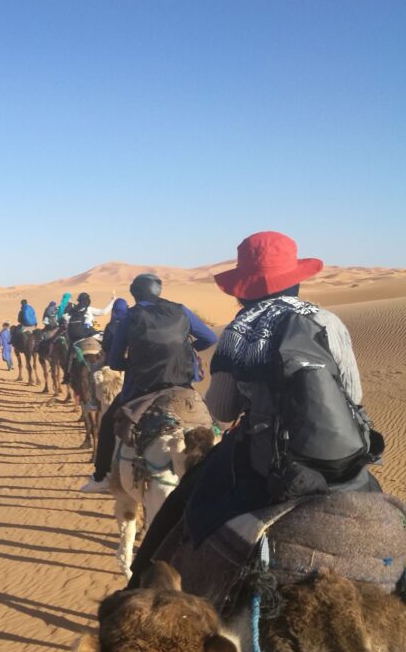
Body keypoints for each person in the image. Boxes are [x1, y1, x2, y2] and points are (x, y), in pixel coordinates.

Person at [127, 231, 381, 586]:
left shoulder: (239, 330)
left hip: (265, 466)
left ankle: (137, 583)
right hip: (342, 460)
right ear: (294, 279)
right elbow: (353, 395)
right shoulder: (328, 321)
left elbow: (222, 411)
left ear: (243, 289)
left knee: (181, 505)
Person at [80, 272, 218, 493]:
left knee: (106, 422)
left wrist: (134, 361)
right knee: (212, 422)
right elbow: (210, 338)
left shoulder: (130, 316)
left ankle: (101, 477)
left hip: (141, 389)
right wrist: (187, 349)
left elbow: (114, 362)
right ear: (159, 291)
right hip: (182, 386)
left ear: (135, 295)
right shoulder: (181, 310)